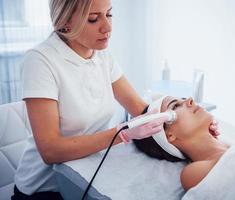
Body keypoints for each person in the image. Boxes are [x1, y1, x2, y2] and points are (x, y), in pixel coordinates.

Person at [12, 0, 220, 199]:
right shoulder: (41, 61)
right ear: (64, 22)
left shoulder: (102, 57)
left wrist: (199, 134)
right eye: (93, 19)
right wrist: (123, 133)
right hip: (44, 188)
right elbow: (50, 150)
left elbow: (142, 109)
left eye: (109, 14)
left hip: (86, 173)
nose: (107, 27)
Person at [133, 96, 229, 191]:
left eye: (183, 99)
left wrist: (216, 142)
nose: (190, 99)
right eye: (175, 106)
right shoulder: (191, 174)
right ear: (170, 136)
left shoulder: (229, 147)